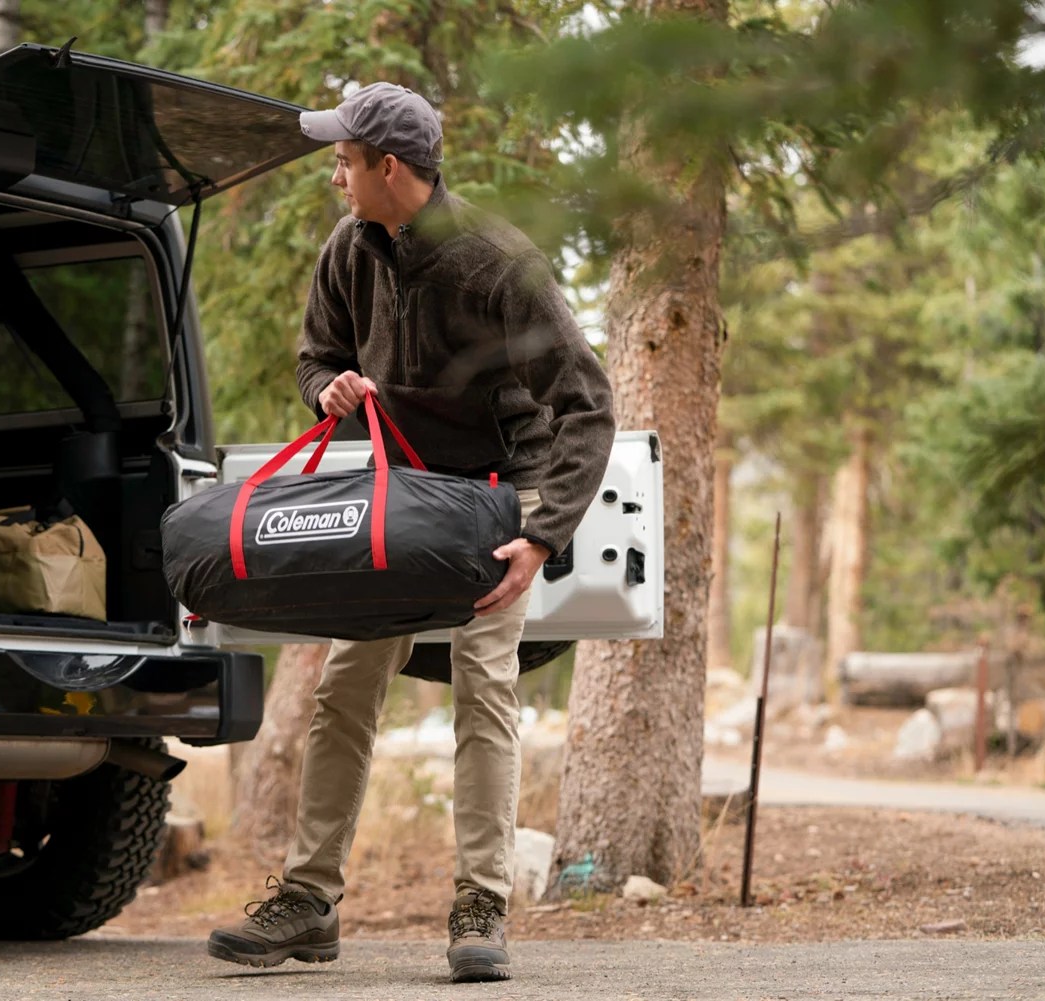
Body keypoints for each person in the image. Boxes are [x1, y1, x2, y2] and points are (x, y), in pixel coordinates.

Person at [206, 82, 616, 984]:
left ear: (389, 168)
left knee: (484, 685)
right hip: (397, 499)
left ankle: (481, 905)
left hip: (493, 500)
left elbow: (586, 403)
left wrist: (542, 534)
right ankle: (310, 901)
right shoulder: (349, 247)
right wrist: (330, 389)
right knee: (346, 683)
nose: (335, 176)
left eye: (344, 161)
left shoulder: (499, 263)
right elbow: (317, 354)